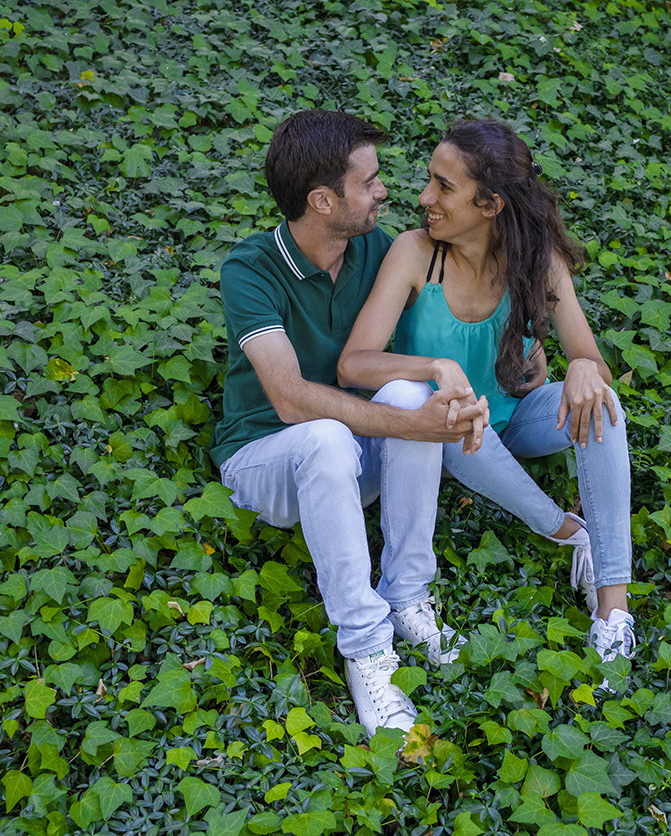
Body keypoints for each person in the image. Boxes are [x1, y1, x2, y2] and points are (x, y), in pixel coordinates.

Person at [209, 110, 489, 737]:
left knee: (406, 393)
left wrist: (461, 373)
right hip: (266, 462)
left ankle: (406, 593)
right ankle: (366, 649)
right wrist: (407, 426)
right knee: (330, 432)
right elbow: (289, 400)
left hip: (345, 459)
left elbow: (412, 344)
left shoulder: (374, 249)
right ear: (322, 199)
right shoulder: (249, 270)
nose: (385, 191)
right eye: (370, 182)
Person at [337, 118, 638, 682]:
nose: (425, 198)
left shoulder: (536, 259)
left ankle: (613, 609)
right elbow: (354, 362)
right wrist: (433, 367)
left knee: (606, 407)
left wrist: (580, 368)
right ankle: (566, 530)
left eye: (444, 187)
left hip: (513, 418)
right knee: (453, 421)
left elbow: (591, 359)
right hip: (443, 430)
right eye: (431, 180)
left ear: (491, 204)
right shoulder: (414, 254)